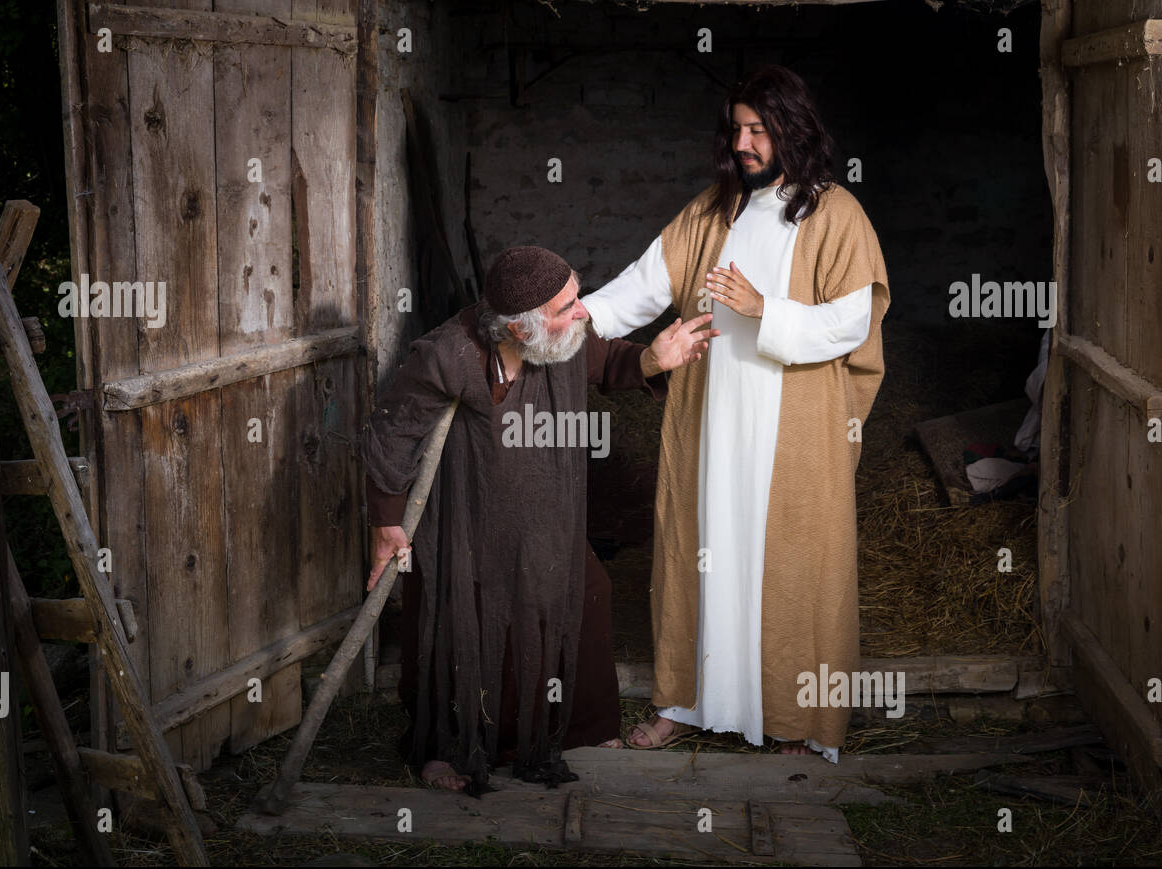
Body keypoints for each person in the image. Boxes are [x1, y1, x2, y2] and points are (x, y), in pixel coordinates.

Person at [582, 65, 890, 761]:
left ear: (793, 129)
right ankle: (686, 704)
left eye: (759, 128)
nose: (745, 141)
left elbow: (850, 323)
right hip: (713, 425)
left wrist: (763, 309)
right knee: (703, 557)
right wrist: (567, 316)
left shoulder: (834, 212)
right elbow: (637, 289)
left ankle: (793, 717)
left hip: (794, 429)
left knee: (789, 567)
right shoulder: (710, 212)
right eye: (737, 128)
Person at [360, 245, 717, 793]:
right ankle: (447, 746)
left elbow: (607, 360)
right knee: (464, 621)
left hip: (549, 513)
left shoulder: (568, 339)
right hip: (470, 525)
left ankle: (576, 728)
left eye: (576, 298)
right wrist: (387, 523)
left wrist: (652, 358)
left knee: (587, 591)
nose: (582, 312)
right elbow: (392, 432)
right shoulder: (448, 356)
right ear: (522, 330)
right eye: (567, 306)